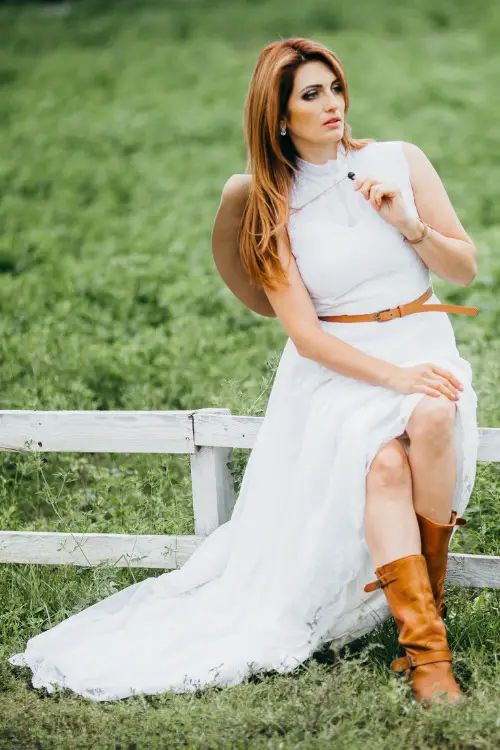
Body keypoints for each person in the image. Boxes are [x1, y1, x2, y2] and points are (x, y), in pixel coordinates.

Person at [9, 37, 479, 706]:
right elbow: (306, 337)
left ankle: (421, 631)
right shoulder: (273, 199)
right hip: (338, 371)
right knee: (385, 465)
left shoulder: (401, 161)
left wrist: (409, 224)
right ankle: (428, 653)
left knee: (434, 414)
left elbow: (465, 270)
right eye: (310, 95)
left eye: (335, 88)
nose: (332, 104)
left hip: (422, 340)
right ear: (279, 116)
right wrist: (394, 379)